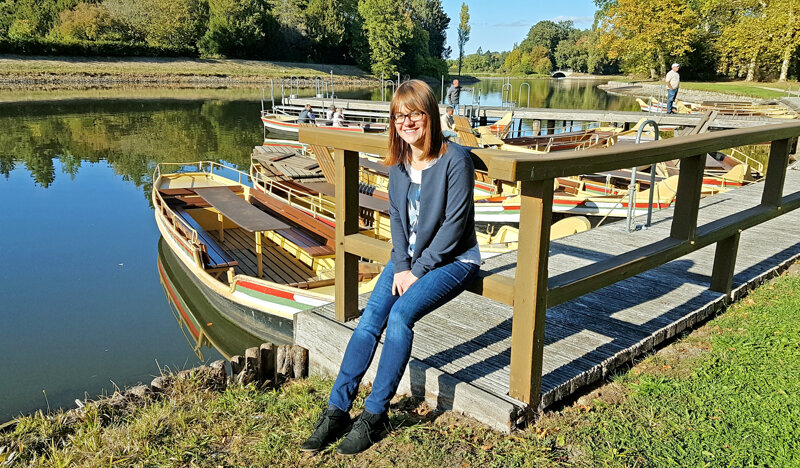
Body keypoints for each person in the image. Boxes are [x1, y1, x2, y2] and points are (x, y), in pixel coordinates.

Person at [300, 79, 480, 456]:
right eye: (399, 116)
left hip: (454, 260)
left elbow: (455, 226)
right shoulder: (399, 163)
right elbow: (397, 217)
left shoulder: (455, 159)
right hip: (408, 261)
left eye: (415, 114)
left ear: (430, 115)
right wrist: (401, 264)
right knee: (369, 320)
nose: (407, 123)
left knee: (399, 317)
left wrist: (417, 270)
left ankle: (375, 415)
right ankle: (337, 410)